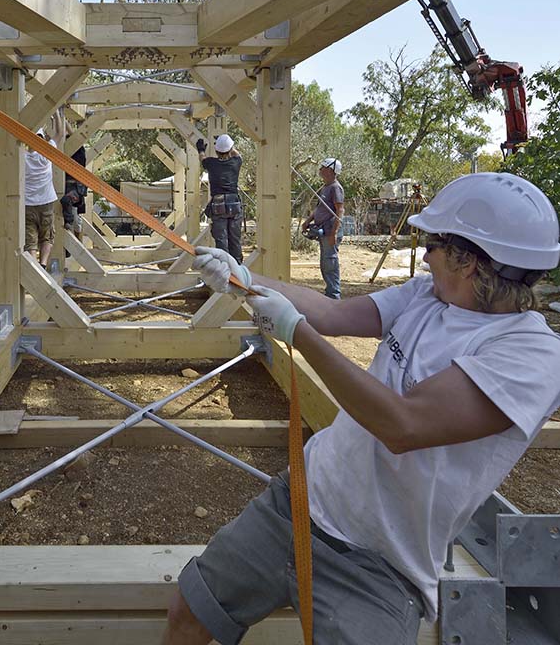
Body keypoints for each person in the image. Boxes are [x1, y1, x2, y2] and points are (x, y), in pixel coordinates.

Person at [164, 172, 560, 645]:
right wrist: (243, 278)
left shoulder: (530, 357)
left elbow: (402, 423)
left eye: (432, 243)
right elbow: (330, 314)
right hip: (299, 503)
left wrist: (297, 335)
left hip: (381, 564)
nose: (425, 253)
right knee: (193, 608)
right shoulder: (425, 296)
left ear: (469, 261)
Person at [302, 157, 344, 299]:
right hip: (324, 231)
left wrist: (334, 232)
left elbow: (339, 210)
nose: (320, 170)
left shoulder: (335, 188)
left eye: (323, 168)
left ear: (331, 170)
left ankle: (334, 295)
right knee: (325, 263)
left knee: (330, 263)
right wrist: (308, 220)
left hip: (330, 231)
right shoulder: (326, 187)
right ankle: (330, 292)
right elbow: (321, 208)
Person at [197, 133, 243, 264]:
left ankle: (224, 266)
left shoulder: (211, 163)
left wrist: (201, 149)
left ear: (216, 150)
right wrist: (225, 142)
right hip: (234, 204)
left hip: (218, 205)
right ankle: (237, 266)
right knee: (235, 238)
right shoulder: (236, 162)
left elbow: (202, 158)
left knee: (221, 239)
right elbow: (236, 153)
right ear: (230, 149)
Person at [24, 127, 58, 268]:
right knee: (47, 236)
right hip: (46, 202)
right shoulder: (46, 154)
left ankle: (34, 268)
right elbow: (60, 134)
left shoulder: (21, 156)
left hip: (27, 204)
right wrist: (58, 113)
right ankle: (42, 264)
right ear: (42, 139)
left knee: (30, 239)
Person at [61, 145, 87, 243]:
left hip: (76, 190)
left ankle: (78, 244)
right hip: (66, 188)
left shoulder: (80, 154)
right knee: (71, 221)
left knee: (76, 222)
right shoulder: (63, 154)